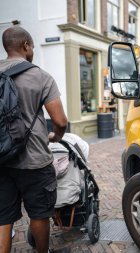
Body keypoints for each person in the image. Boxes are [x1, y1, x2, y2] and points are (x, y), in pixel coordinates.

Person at [0, 27, 68, 253]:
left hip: (2, 160)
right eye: (33, 46)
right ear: (26, 45)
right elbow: (60, 121)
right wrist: (54, 137)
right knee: (39, 213)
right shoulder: (41, 76)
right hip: (35, 161)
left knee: (3, 216)